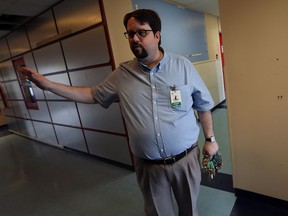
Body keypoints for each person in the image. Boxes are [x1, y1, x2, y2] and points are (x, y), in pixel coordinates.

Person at [20, 9, 219, 216]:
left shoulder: (183, 66)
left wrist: (210, 139)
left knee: (189, 211)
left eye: (141, 33)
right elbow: (91, 94)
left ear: (157, 36)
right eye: (130, 34)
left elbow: (203, 105)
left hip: (184, 160)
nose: (134, 38)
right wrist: (47, 85)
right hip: (149, 167)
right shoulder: (122, 75)